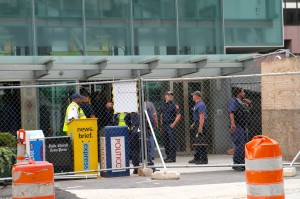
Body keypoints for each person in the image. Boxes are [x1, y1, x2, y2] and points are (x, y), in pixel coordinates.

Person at [228, 87, 252, 171]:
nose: (244, 94)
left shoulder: (242, 102)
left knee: (243, 144)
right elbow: (231, 112)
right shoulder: (234, 101)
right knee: (239, 144)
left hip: (243, 126)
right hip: (237, 126)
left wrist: (249, 104)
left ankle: (242, 162)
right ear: (239, 93)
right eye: (243, 92)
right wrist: (233, 124)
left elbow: (247, 111)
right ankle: (237, 163)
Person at [160, 91, 181, 163]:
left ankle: (172, 158)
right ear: (165, 96)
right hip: (164, 125)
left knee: (172, 141)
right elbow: (161, 114)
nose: (170, 96)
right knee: (165, 142)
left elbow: (178, 115)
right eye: (168, 95)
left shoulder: (174, 105)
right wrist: (161, 124)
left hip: (170, 124)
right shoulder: (163, 104)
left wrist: (173, 124)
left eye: (171, 95)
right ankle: (168, 156)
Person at [188, 91, 208, 164]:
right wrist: (194, 123)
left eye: (193, 95)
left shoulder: (201, 104)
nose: (192, 96)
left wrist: (200, 127)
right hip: (197, 123)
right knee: (197, 142)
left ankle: (203, 159)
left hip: (201, 124)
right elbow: (197, 116)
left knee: (201, 142)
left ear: (197, 96)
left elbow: (202, 117)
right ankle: (197, 157)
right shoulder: (196, 104)